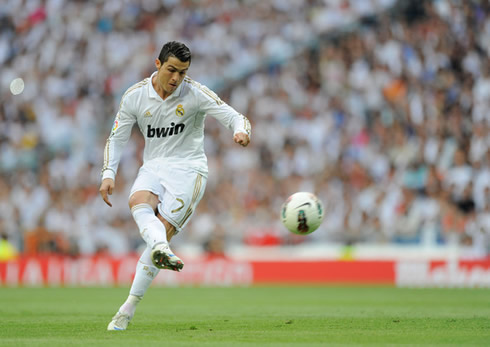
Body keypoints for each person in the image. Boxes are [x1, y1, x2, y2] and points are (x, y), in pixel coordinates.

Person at [99, 41, 251, 331]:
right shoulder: (134, 96)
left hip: (188, 170)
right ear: (157, 64)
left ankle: (127, 309)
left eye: (182, 72)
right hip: (154, 164)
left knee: (160, 231)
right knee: (136, 200)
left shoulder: (194, 93)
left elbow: (234, 116)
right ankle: (159, 247)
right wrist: (109, 173)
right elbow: (116, 137)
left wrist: (241, 131)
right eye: (171, 70)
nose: (176, 78)